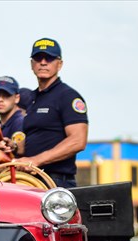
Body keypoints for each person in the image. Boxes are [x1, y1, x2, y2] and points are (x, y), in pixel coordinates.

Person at [13, 38, 88, 188]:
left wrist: (36, 160)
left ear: (59, 64)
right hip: (30, 180)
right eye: (38, 58)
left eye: (49, 58)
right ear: (32, 64)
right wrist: (14, 147)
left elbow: (78, 140)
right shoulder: (32, 99)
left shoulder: (68, 96)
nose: (43, 62)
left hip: (56, 183)